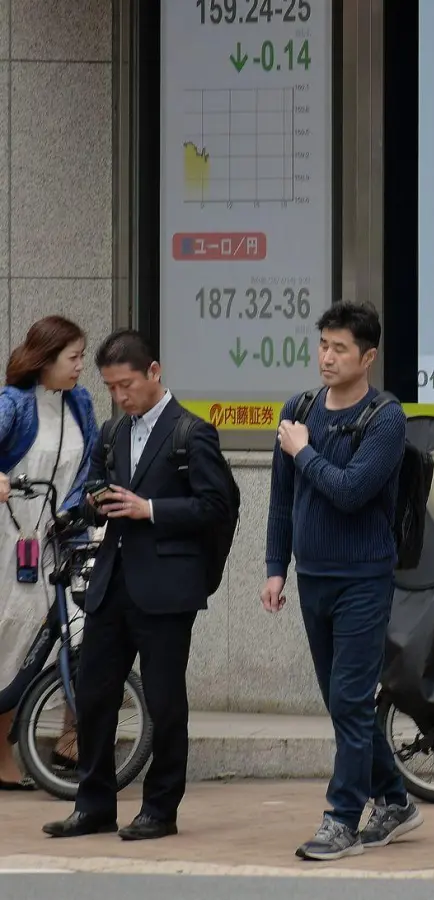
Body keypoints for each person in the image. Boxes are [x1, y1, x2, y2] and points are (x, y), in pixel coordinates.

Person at [43, 330, 229, 842]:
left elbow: (216, 506)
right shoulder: (112, 432)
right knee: (94, 696)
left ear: (154, 372)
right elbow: (93, 497)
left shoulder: (192, 432)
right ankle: (93, 805)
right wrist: (91, 504)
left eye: (126, 384)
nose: (120, 396)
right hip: (111, 582)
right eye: (110, 387)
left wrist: (149, 509)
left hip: (166, 588)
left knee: (165, 703)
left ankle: (160, 810)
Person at [261, 302, 422, 861]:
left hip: (364, 578)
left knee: (350, 700)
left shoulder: (385, 418)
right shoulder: (299, 408)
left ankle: (342, 819)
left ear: (367, 356)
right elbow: (281, 499)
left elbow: (351, 491)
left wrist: (303, 450)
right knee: (341, 702)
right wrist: (275, 567)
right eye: (323, 345)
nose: (327, 357)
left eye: (340, 348)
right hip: (313, 577)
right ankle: (396, 801)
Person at [0, 316, 95, 791]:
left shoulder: (80, 402)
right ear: (46, 358)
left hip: (59, 541)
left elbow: (89, 466)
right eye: (73, 357)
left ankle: (69, 741)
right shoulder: (13, 403)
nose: (80, 366)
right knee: (13, 639)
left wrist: (77, 513)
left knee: (76, 632)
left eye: (82, 357)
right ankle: (3, 752)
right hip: (9, 538)